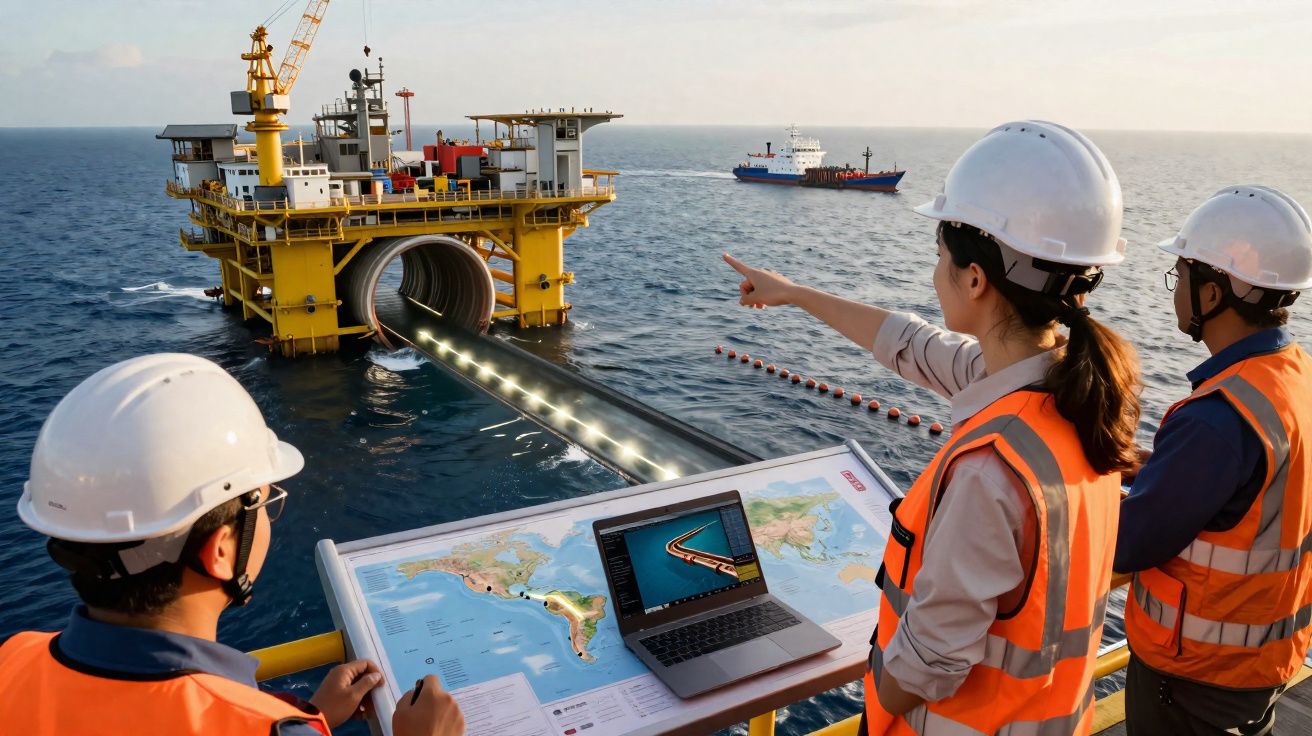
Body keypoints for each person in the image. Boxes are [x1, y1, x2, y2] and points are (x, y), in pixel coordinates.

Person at [725, 120, 1141, 735]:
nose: (933, 273)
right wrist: (798, 295)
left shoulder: (991, 467)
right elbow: (912, 345)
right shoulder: (1077, 393)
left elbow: (931, 663)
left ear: (975, 279)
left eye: (939, 258)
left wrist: (880, 698)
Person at [0, 353, 465, 736]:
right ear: (220, 550)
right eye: (264, 503)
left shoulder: (13, 659)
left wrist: (310, 716)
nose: (269, 517)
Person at [1116, 186, 1312, 736]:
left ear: (1214, 291)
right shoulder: (1296, 378)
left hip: (1192, 682)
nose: (1175, 291)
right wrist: (1159, 469)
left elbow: (1129, 541)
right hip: (1261, 667)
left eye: (1179, 277)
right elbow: (1256, 494)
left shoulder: (1217, 419)